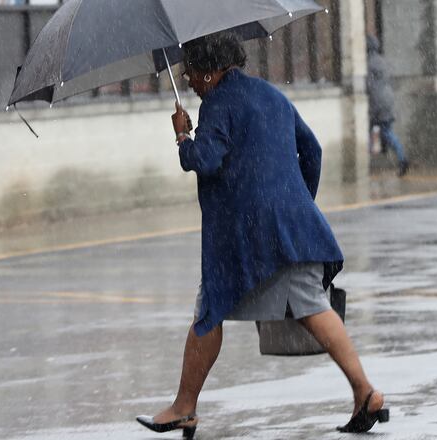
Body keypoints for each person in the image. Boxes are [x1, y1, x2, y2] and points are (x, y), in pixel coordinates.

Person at [134, 33, 389, 438]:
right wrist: (296, 201)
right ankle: (365, 393)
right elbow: (313, 151)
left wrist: (183, 135)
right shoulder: (270, 95)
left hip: (249, 233)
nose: (188, 81)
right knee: (307, 305)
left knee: (213, 307)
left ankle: (185, 406)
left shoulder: (219, 102)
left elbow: (204, 159)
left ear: (212, 69)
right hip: (293, 224)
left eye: (192, 73)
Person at [366, 35, 410, 177]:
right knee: (384, 130)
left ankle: (402, 159)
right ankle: (399, 157)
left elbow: (370, 86)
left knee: (383, 131)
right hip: (388, 98)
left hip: (378, 101)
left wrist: (372, 109)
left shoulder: (369, 64)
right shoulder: (383, 61)